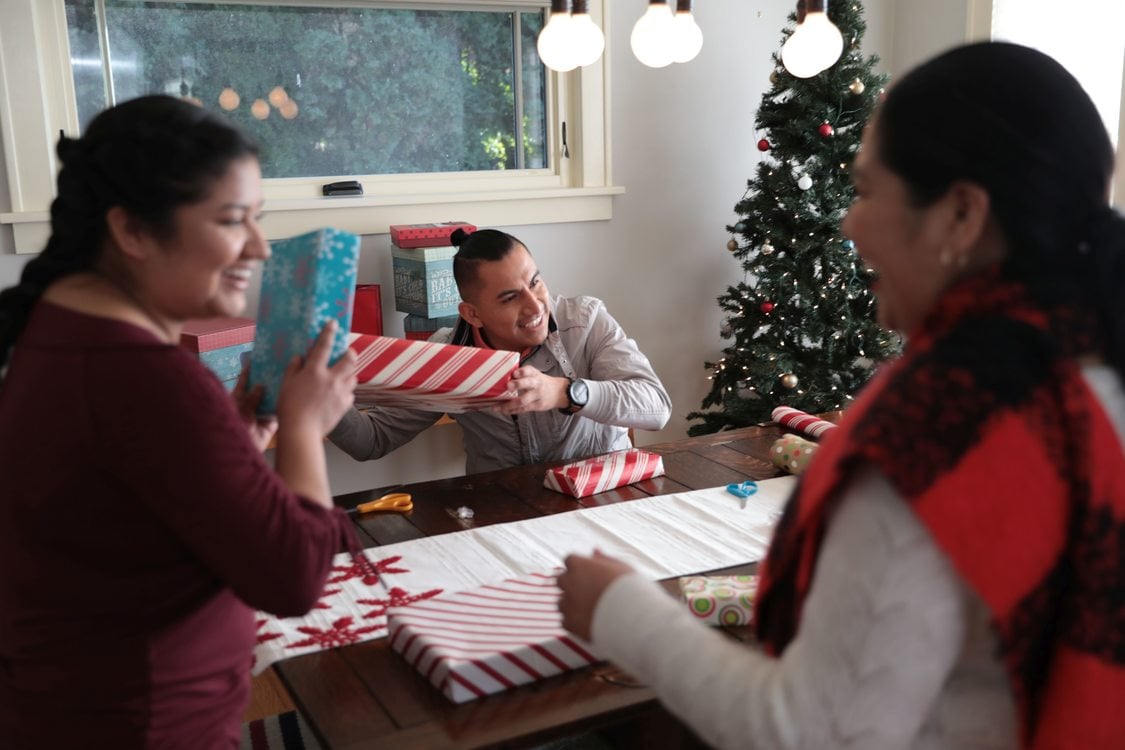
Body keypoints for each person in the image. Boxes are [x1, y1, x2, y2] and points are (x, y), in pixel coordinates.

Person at [558, 41, 1125, 749]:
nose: (848, 224)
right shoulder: (1094, 369)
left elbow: (811, 731)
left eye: (864, 192)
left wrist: (620, 612)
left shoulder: (933, 438)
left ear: (958, 216)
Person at [0, 96, 359, 748]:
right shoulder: (145, 375)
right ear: (132, 231)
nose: (256, 246)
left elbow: (124, 507)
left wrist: (234, 447)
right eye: (230, 221)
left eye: (258, 220)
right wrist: (305, 430)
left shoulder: (56, 330)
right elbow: (294, 577)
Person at [329, 228, 672, 473]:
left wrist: (566, 393)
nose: (535, 305)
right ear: (472, 314)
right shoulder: (446, 358)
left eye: (535, 282)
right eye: (510, 298)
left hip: (602, 501)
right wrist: (322, 397)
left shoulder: (586, 320)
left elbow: (656, 408)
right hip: (503, 511)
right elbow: (371, 441)